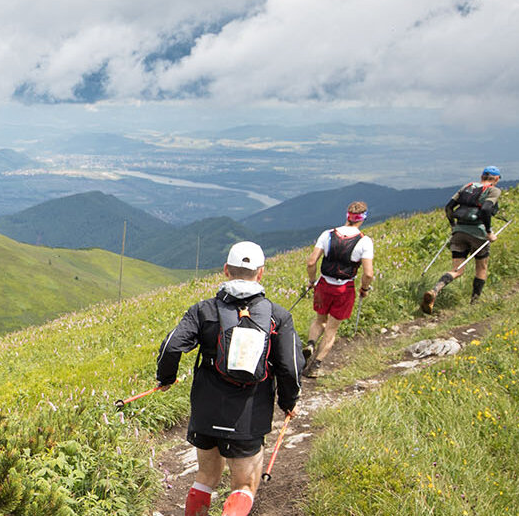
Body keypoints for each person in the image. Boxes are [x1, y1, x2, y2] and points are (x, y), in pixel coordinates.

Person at [156, 241, 301, 516]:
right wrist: (288, 402)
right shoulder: (278, 316)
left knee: (205, 477)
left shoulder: (203, 311)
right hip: (249, 414)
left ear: (225, 270)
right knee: (244, 484)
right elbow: (290, 368)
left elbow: (171, 347)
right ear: (261, 273)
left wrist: (166, 378)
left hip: (206, 409)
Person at [300, 201, 373, 378]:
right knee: (331, 329)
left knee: (319, 321)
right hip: (344, 289)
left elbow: (311, 262)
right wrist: (364, 288)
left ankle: (310, 344)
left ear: (347, 215)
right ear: (362, 218)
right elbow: (368, 273)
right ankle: (315, 366)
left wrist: (312, 281)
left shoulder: (328, 235)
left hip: (324, 285)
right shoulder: (364, 241)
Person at [422, 166, 503, 314]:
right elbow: (485, 209)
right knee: (481, 267)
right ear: (496, 179)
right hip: (478, 233)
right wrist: (490, 232)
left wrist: (453, 226)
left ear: (481, 176)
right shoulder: (494, 190)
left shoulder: (467, 187)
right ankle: (475, 303)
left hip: (459, 232)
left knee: (457, 270)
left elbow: (448, 208)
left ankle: (435, 290)